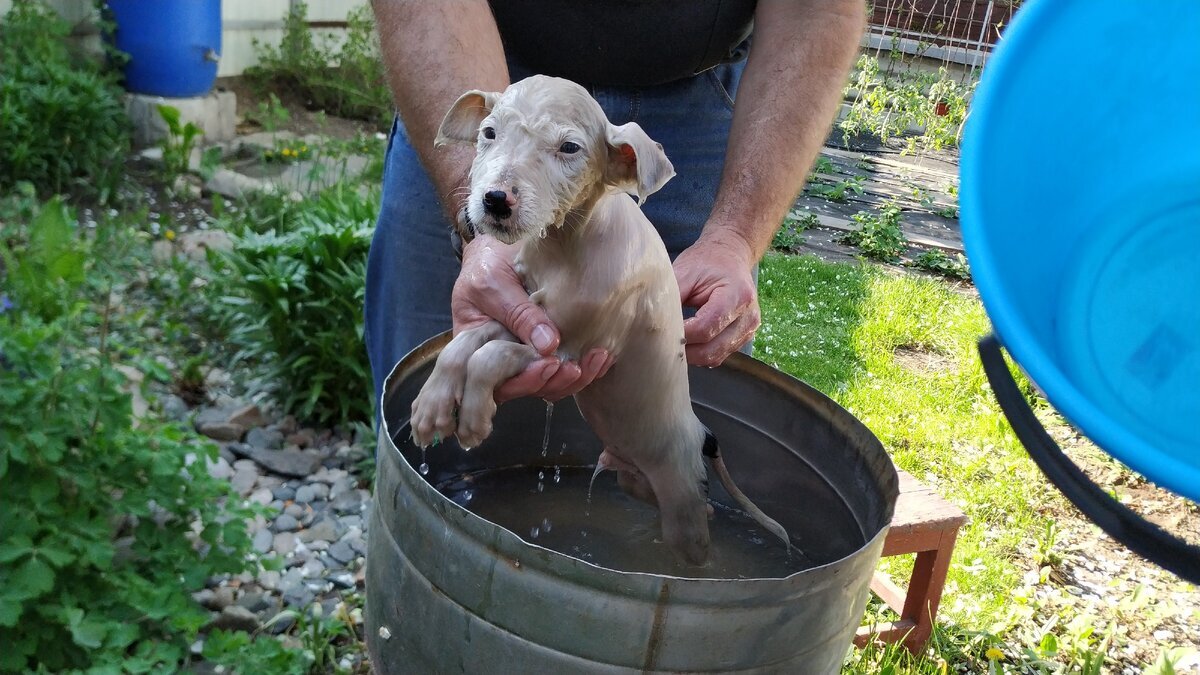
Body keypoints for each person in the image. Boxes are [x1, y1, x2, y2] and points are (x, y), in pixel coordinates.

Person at [364, 0, 865, 408]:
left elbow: (817, 9)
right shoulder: (477, 121)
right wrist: (478, 228)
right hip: (478, 72)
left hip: (697, 111)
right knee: (427, 406)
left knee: (678, 429)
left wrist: (733, 236)